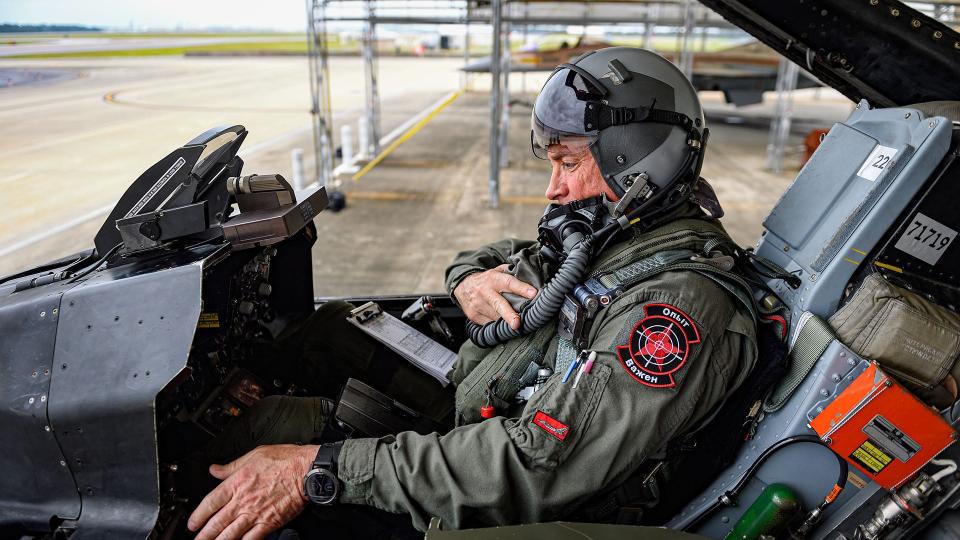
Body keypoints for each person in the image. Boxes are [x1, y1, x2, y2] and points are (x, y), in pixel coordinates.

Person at [186, 46, 759, 540]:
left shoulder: (673, 313)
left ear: (637, 164)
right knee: (334, 325)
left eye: (568, 163)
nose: (553, 189)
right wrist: (468, 280)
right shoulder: (619, 236)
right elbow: (503, 255)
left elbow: (537, 468)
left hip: (513, 506)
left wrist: (318, 469)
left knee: (275, 430)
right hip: (483, 417)